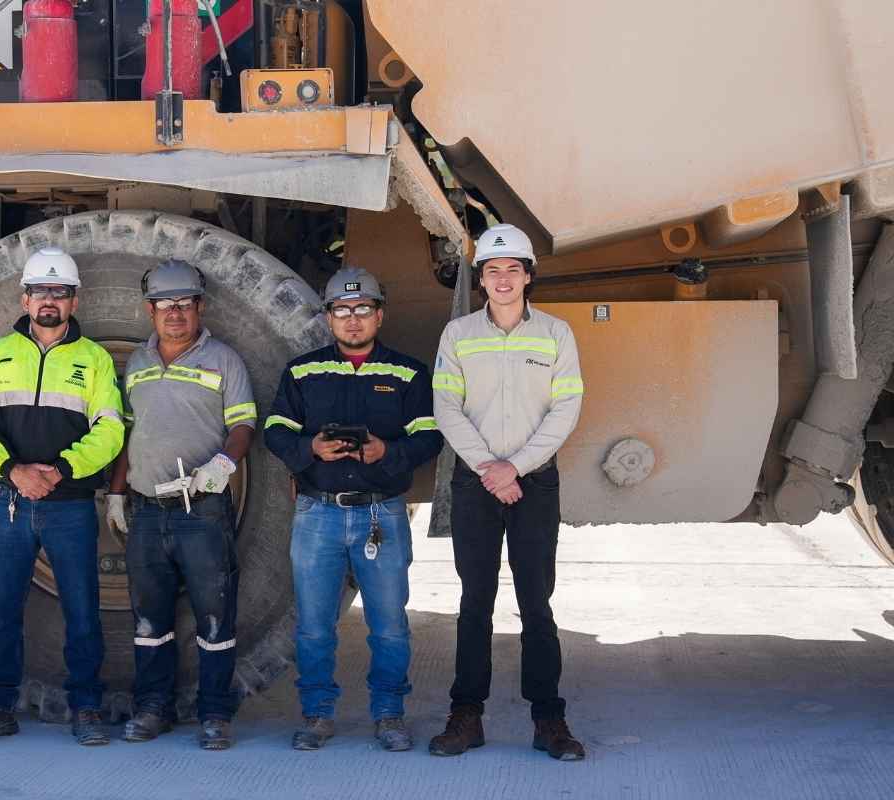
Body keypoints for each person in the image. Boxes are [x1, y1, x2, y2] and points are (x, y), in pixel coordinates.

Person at [264, 265, 443, 752]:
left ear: (379, 315)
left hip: (380, 513)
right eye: (342, 311)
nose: (352, 320)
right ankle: (317, 714)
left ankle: (389, 714)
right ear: (328, 318)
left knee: (388, 625)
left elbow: (429, 436)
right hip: (317, 513)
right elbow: (275, 430)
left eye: (363, 309)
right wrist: (311, 451)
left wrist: (388, 454)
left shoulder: (407, 372)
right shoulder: (303, 372)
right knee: (314, 626)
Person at [428, 223, 586, 760]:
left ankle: (549, 720)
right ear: (481, 279)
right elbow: (446, 406)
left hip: (534, 485)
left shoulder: (556, 335)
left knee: (535, 602)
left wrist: (515, 467)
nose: (502, 279)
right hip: (476, 485)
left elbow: (566, 409)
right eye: (492, 270)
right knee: (475, 602)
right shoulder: (459, 336)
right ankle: (466, 715)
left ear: (527, 277)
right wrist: (489, 469)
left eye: (512, 270)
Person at [0, 246, 125, 746]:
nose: (49, 301)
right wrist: (13, 470)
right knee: (2, 611)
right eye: (40, 292)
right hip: (9, 505)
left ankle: (87, 709)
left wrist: (61, 470)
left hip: (69, 506)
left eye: (60, 292)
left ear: (75, 301)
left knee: (81, 609)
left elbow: (111, 430)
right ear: (24, 298)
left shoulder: (93, 359)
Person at [104, 259, 256, 751]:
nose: (175, 314)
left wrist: (222, 467)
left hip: (202, 511)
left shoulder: (224, 360)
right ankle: (154, 709)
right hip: (148, 511)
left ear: (199, 308)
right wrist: (117, 492)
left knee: (215, 619)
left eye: (184, 305)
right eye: (166, 306)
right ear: (151, 311)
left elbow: (243, 427)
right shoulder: (138, 365)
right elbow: (131, 434)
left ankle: (215, 714)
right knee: (150, 621)